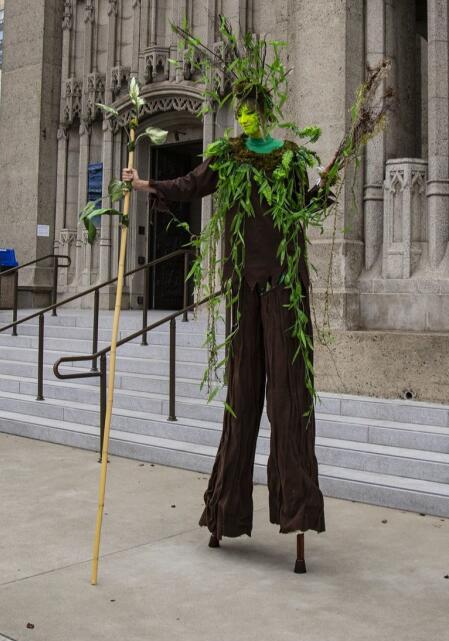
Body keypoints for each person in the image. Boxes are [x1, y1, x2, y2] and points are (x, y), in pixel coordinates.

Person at [123, 90, 330, 570]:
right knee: (242, 391)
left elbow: (305, 203)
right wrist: (143, 184)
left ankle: (296, 510)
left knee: (288, 394)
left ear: (268, 114)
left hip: (282, 285)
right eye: (240, 111)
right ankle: (226, 510)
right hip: (243, 284)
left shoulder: (288, 159)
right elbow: (190, 185)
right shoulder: (228, 157)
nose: (246, 118)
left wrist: (326, 180)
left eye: (253, 110)